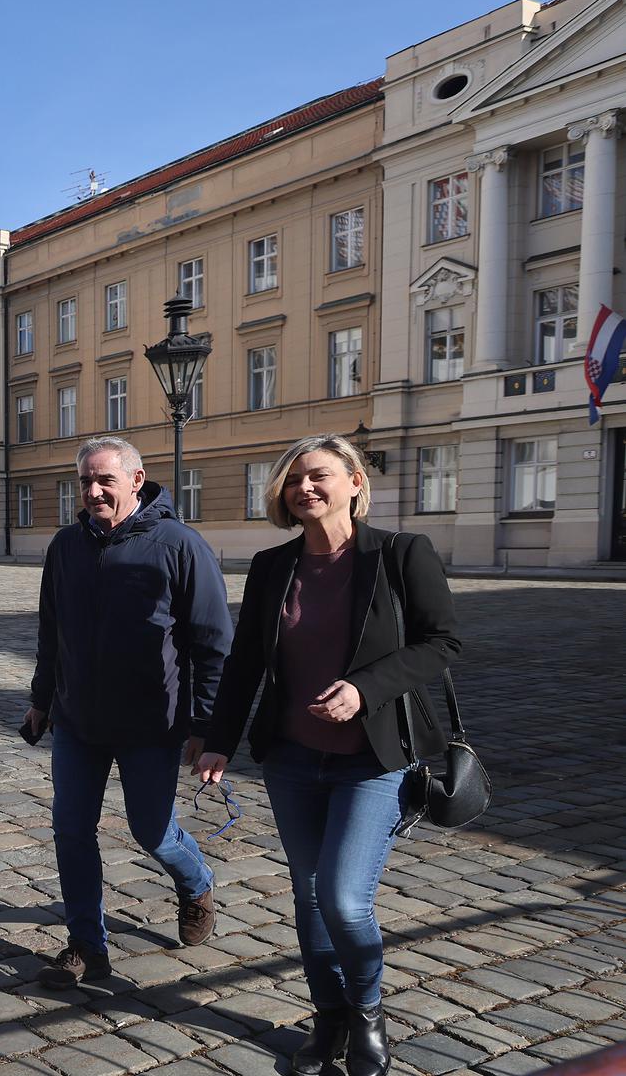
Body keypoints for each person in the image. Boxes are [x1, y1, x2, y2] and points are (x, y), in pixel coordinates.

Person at [194, 435, 460, 1076]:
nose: (304, 488)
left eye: (317, 476)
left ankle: (367, 1014)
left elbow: (443, 642)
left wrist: (365, 688)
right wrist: (219, 741)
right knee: (307, 898)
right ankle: (328, 1020)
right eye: (292, 482)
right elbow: (246, 663)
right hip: (291, 759)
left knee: (344, 900)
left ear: (354, 483)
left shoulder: (400, 554)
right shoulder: (272, 566)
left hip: (372, 760)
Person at [24, 436, 232, 987]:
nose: (92, 492)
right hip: (77, 721)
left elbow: (213, 643)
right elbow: (52, 632)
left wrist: (206, 725)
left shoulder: (179, 545)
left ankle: (196, 881)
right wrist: (41, 698)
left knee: (153, 831)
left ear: (136, 481)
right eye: (85, 482)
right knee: (71, 830)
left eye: (104, 481)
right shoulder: (66, 546)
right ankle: (86, 945)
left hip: (151, 724)